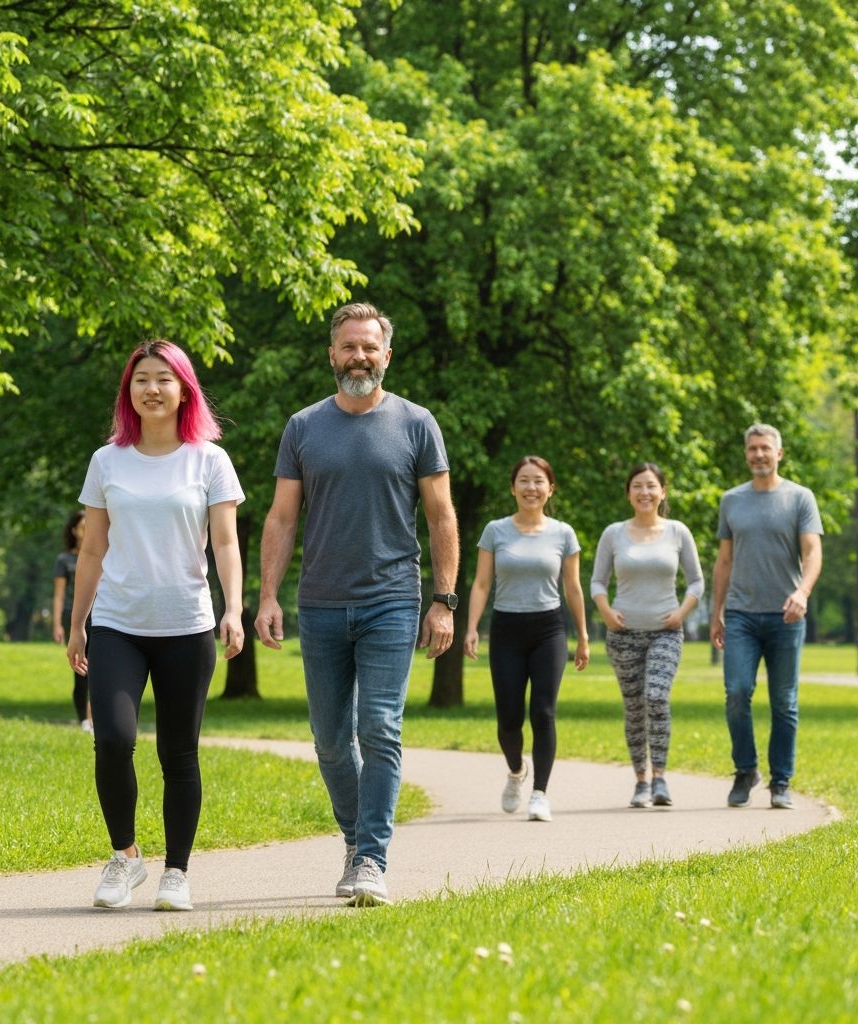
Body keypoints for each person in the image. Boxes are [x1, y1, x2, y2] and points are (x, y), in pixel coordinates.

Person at [254, 302, 458, 908]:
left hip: (392, 599)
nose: (360, 357)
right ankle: (354, 838)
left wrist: (444, 602)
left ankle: (370, 858)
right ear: (332, 354)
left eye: (370, 347)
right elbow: (282, 516)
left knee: (380, 727)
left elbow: (442, 517)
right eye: (349, 346)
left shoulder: (417, 424)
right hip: (318, 602)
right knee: (328, 740)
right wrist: (267, 595)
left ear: (386, 355)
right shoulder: (303, 427)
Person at [67, 339, 245, 911]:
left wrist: (233, 608)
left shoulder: (209, 460)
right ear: (129, 392)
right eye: (141, 379)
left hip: (186, 626)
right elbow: (91, 550)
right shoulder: (107, 461)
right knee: (113, 739)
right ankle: (125, 857)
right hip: (118, 623)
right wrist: (78, 625)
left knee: (179, 752)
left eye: (163, 379)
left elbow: (224, 542)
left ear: (184, 389)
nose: (152, 388)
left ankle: (177, 871)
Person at [464, 456, 590, 822]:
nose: (531, 488)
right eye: (524, 480)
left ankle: (540, 793)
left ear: (550, 489)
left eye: (538, 481)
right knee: (508, 719)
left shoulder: (563, 533)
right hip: (506, 630)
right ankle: (518, 771)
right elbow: (482, 583)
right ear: (513, 488)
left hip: (549, 629)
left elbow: (573, 588)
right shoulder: (495, 530)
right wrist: (471, 628)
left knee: (544, 711)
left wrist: (582, 636)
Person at [710, 424, 823, 810]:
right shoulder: (731, 500)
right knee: (737, 693)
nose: (759, 454)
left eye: (766, 448)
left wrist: (802, 592)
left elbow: (812, 553)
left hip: (786, 616)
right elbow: (724, 560)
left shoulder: (800, 498)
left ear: (779, 453)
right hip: (740, 614)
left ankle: (781, 782)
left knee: (784, 702)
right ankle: (745, 770)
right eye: (753, 449)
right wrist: (716, 613)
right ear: (746, 454)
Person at [590, 463, 704, 809]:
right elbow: (597, 581)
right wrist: (606, 612)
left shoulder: (678, 532)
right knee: (634, 706)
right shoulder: (613, 534)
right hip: (623, 635)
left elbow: (697, 581)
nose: (644, 492)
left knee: (655, 697)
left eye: (651, 486)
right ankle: (640, 780)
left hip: (665, 632)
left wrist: (682, 613)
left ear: (662, 492)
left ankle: (661, 778)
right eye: (637, 486)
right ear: (629, 493)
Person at [52, 509, 93, 733]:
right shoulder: (65, 560)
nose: (87, 531)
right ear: (74, 530)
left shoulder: (104, 555)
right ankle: (84, 720)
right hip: (75, 616)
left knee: (100, 667)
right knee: (81, 666)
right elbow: (59, 594)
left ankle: (94, 716)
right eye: (83, 527)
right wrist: (57, 623)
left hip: (101, 615)